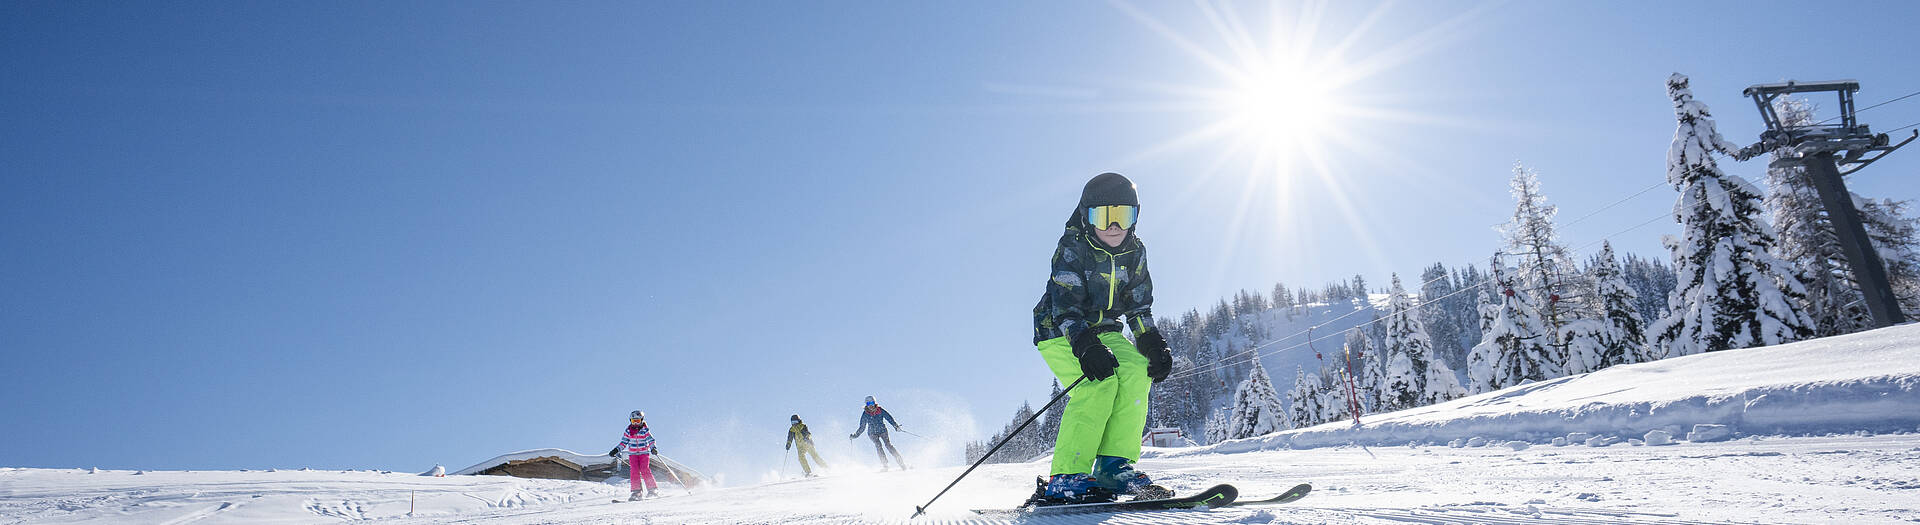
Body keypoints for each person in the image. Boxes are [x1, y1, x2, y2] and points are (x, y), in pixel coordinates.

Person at [1027, 172, 1174, 505]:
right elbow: (1065, 306)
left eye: (1122, 216)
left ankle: (1114, 467)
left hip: (1106, 328)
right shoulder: (1073, 247)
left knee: (1137, 370)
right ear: (1086, 216)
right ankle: (1066, 476)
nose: (1113, 226)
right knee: (1098, 384)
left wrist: (1152, 342)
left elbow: (1139, 307)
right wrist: (1085, 345)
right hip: (1059, 330)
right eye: (1103, 216)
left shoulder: (1135, 252)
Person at [607, 410, 660, 501]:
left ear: (642, 420)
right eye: (633, 421)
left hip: (643, 453)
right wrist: (616, 450)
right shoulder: (628, 431)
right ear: (630, 421)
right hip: (633, 455)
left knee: (644, 470)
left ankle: (652, 490)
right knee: (634, 471)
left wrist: (653, 448)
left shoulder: (645, 430)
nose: (635, 423)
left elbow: (651, 440)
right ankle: (637, 492)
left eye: (637, 421)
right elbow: (623, 443)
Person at [847, 395, 908, 471]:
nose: (871, 405)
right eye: (868, 404)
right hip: (872, 433)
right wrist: (855, 436)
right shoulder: (865, 414)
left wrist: (896, 426)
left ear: (875, 403)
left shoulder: (880, 410)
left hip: (882, 430)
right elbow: (862, 427)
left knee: (888, 445)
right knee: (878, 446)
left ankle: (901, 463)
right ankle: (885, 465)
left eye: (872, 403)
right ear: (866, 405)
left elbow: (889, 418)